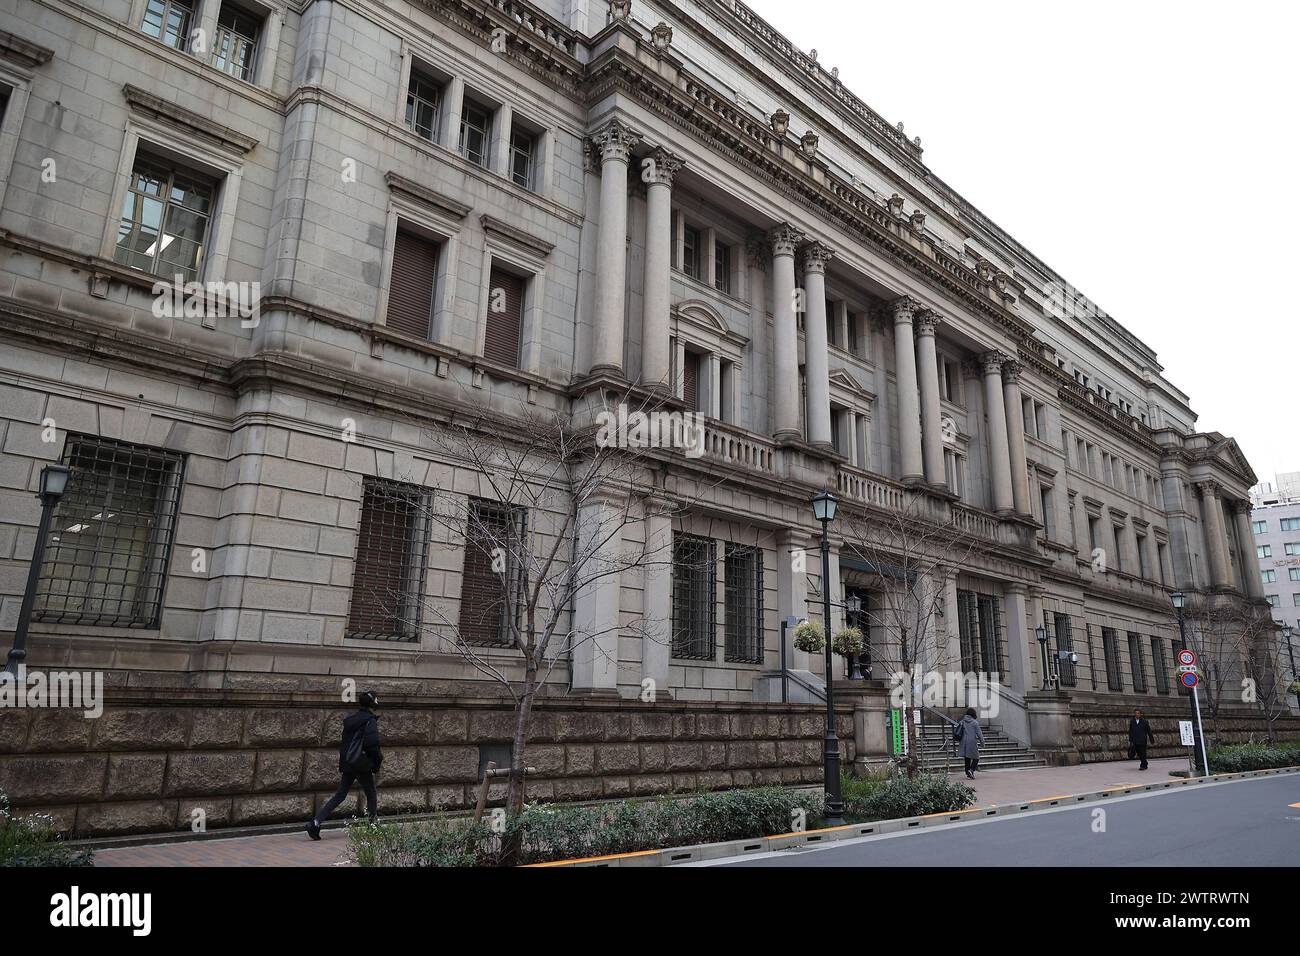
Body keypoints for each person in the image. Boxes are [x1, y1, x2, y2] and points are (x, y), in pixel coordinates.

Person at [306, 690, 383, 839]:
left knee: (340, 795)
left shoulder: (351, 720)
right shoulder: (369, 721)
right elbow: (373, 745)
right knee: (371, 794)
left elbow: (346, 744)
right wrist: (376, 762)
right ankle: (373, 827)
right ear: (372, 704)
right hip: (360, 763)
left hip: (349, 762)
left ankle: (315, 823)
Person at [954, 707, 984, 779]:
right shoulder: (975, 723)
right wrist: (982, 743)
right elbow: (979, 734)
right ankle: (971, 770)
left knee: (967, 757)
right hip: (972, 741)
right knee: (976, 757)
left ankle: (967, 772)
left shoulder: (962, 721)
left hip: (963, 741)